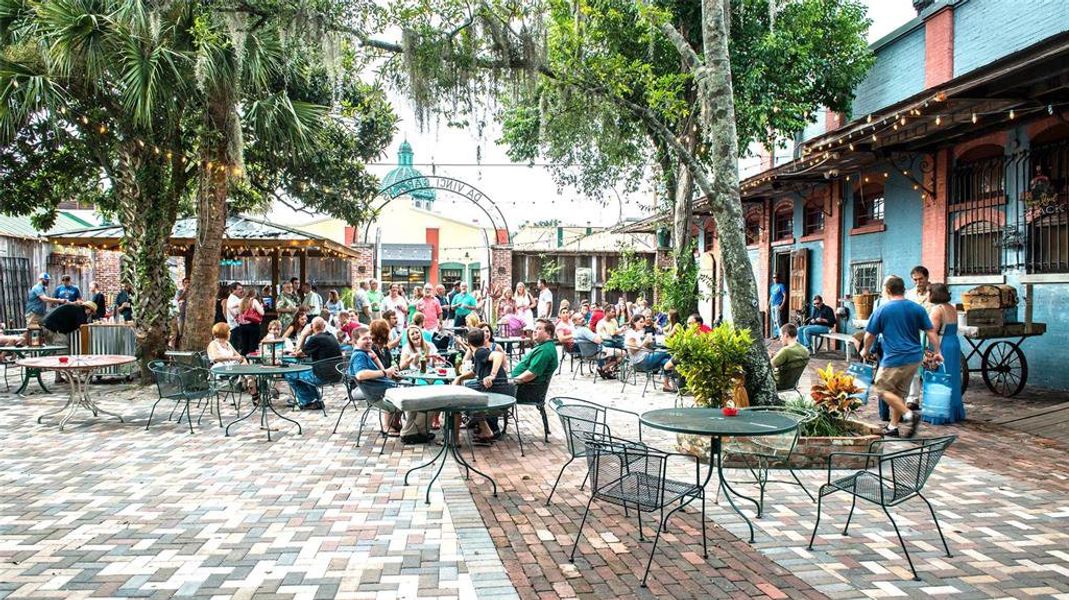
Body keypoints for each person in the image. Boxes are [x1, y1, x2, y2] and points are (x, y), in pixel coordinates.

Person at [861, 275, 942, 438]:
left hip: (894, 357)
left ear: (888, 290)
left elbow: (869, 335)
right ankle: (893, 427)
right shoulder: (917, 308)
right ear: (903, 290)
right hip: (914, 358)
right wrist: (938, 351)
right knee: (899, 394)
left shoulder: (882, 309)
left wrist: (865, 350)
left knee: (881, 389)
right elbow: (931, 331)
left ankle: (909, 415)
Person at [349, 325, 433, 444]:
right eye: (364, 339)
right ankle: (411, 433)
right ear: (355, 341)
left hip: (387, 391)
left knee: (421, 394)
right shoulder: (358, 355)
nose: (369, 341)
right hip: (382, 396)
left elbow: (386, 374)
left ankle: (416, 432)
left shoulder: (366, 353)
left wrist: (375, 357)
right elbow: (360, 375)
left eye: (369, 338)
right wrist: (384, 372)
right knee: (424, 399)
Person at [454, 327, 511, 443]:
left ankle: (454, 439)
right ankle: (486, 430)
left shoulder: (480, 352)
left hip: (495, 397)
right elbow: (474, 372)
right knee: (466, 395)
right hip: (501, 394)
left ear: (468, 343)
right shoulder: (479, 353)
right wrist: (460, 377)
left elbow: (498, 356)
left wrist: (492, 375)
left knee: (456, 404)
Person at [924, 283, 964, 424]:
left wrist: (933, 350)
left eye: (928, 292)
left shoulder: (937, 309)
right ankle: (954, 410)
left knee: (939, 376)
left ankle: (939, 412)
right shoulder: (951, 307)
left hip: (942, 344)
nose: (927, 295)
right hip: (953, 341)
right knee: (952, 377)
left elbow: (932, 331)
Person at [286, 317, 342, 410]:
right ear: (324, 326)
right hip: (337, 374)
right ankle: (316, 400)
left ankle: (307, 401)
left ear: (311, 327)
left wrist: (304, 335)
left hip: (322, 377)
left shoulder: (315, 339)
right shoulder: (330, 336)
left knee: (290, 373)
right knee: (306, 372)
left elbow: (298, 353)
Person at [510, 319, 559, 399]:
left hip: (525, 390)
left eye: (539, 329)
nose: (535, 331)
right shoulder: (544, 346)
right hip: (523, 387)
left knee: (490, 389)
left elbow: (531, 374)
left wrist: (512, 382)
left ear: (549, 333)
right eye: (535, 328)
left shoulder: (545, 350)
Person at [625, 314, 674, 391]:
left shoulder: (637, 333)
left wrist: (648, 345)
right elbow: (633, 350)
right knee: (668, 352)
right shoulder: (631, 334)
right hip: (640, 362)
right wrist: (645, 342)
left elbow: (641, 348)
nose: (643, 324)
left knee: (666, 362)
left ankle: (666, 385)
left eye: (643, 322)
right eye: (640, 322)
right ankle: (678, 376)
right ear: (634, 322)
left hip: (645, 358)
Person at [572, 312, 622, 378]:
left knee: (611, 351)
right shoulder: (584, 330)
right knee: (623, 353)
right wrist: (599, 335)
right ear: (575, 322)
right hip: (596, 352)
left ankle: (607, 371)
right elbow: (599, 340)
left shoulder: (575, 330)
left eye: (582, 317)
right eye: (580, 319)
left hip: (585, 353)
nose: (583, 319)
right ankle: (603, 368)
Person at [234, 288, 264, 355]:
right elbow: (262, 313)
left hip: (242, 326)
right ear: (254, 295)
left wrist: (237, 315)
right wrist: (261, 307)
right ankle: (252, 361)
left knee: (244, 345)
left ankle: (244, 361)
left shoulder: (241, 301)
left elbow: (233, 309)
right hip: (252, 325)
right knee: (253, 345)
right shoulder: (254, 301)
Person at [769, 273, 786, 338]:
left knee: (778, 320)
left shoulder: (781, 286)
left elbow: (785, 295)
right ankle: (776, 334)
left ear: (778, 278)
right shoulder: (772, 287)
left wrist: (782, 304)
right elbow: (771, 296)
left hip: (777, 305)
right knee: (774, 321)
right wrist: (768, 305)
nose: (775, 279)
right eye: (774, 277)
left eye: (776, 277)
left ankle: (780, 335)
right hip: (772, 305)